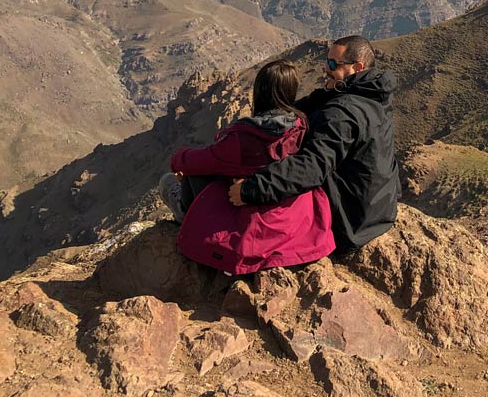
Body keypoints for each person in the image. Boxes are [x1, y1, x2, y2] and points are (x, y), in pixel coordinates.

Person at [158, 59, 335, 275]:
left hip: (256, 229)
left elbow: (196, 161)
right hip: (295, 224)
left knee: (169, 181)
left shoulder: (243, 139)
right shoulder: (301, 126)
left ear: (259, 92)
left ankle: (185, 215)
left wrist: (178, 159)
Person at [228, 36, 400, 254]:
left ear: (357, 67)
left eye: (332, 64)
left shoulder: (342, 113)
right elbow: (307, 108)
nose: (325, 69)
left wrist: (250, 189)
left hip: (349, 224)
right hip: (378, 211)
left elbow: (311, 167)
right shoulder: (372, 95)